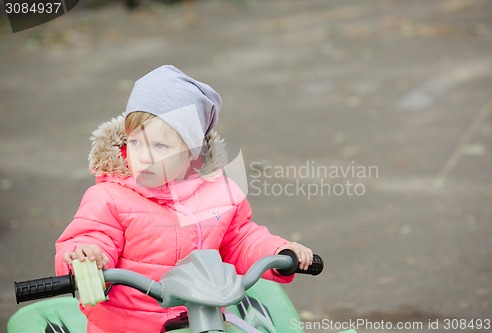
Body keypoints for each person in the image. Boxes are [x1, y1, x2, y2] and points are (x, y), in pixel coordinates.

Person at [54, 65, 313, 333]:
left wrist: (278, 253)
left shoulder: (220, 195)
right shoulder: (109, 198)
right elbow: (94, 234)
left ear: (192, 152)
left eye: (160, 146)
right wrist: (87, 255)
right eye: (135, 142)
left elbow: (240, 239)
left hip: (202, 321)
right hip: (127, 326)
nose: (144, 156)